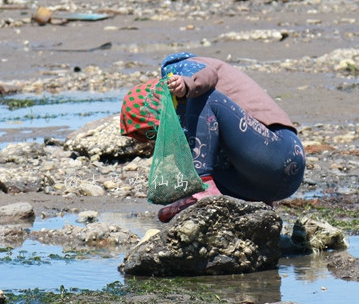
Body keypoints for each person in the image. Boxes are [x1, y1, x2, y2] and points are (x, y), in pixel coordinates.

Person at [120, 52, 306, 222]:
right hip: (271, 186)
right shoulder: (194, 122)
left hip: (280, 149)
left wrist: (186, 84)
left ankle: (203, 184)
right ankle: (208, 197)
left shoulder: (178, 69)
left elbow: (207, 76)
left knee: (203, 97)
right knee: (194, 151)